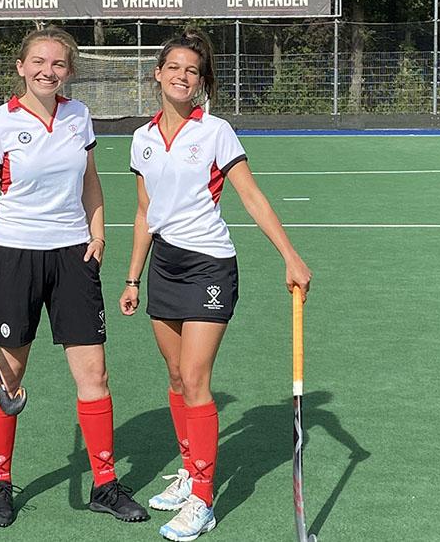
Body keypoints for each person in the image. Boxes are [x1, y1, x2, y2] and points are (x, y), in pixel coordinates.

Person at [119, 28, 312, 541]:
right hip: (163, 266)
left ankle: (203, 498)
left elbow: (250, 196)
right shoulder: (141, 139)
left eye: (194, 72)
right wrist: (133, 276)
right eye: (175, 68)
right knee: (177, 380)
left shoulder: (216, 132)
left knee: (196, 377)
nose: (183, 77)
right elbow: (144, 212)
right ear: (157, 74)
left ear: (202, 83)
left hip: (209, 266)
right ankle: (189, 471)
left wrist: (289, 255)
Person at [0, 26, 148, 528]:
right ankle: (0, 484)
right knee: (8, 378)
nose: (48, 70)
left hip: (73, 258)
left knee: (94, 376)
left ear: (69, 71)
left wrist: (99, 235)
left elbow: (90, 182)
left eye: (58, 64)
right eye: (38, 61)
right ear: (21, 67)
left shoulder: (78, 115)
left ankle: (105, 484)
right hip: (14, 256)